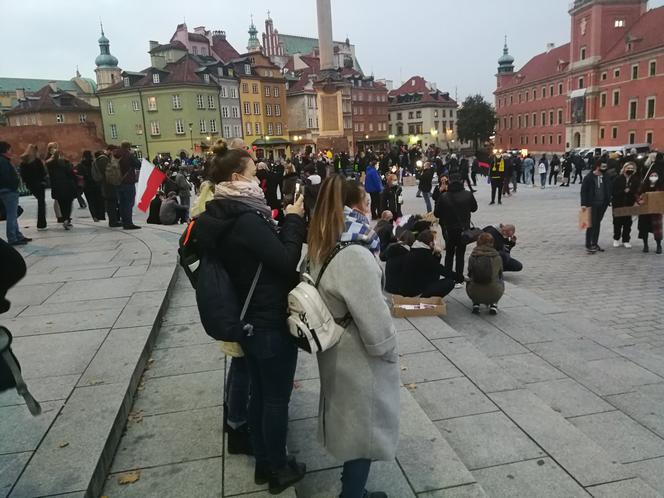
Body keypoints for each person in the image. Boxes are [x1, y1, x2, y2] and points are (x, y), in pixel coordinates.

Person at [197, 142, 306, 494]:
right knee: (275, 399)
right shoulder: (245, 218)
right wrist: (293, 220)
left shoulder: (224, 211)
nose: (259, 177)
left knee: (260, 395)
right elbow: (286, 261)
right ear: (235, 176)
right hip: (267, 321)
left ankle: (264, 463)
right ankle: (276, 468)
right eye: (254, 171)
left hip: (249, 318)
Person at [307, 175, 398, 498]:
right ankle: (353, 495)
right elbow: (374, 321)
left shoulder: (325, 238)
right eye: (368, 201)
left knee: (353, 425)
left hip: (336, 346)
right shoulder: (354, 252)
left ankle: (353, 489)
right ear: (359, 205)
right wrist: (388, 350)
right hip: (356, 354)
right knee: (364, 429)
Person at [434, 176, 478, 285]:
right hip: (464, 230)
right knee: (460, 254)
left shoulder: (444, 196)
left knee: (449, 253)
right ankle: (459, 278)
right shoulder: (468, 194)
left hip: (449, 229)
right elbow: (474, 208)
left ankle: (448, 277)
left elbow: (436, 214)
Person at [400, 230, 455, 298]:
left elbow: (433, 268)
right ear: (430, 242)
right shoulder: (424, 254)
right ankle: (427, 300)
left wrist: (436, 255)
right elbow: (441, 270)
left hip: (410, 289)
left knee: (434, 275)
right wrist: (460, 278)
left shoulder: (415, 249)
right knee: (449, 282)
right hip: (415, 292)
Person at [0, 142, 30, 245]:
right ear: (5, 150)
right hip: (8, 191)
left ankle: (18, 235)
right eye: (9, 149)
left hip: (7, 190)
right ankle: (13, 237)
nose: (11, 151)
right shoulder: (3, 161)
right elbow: (5, 177)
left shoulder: (3, 161)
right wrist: (13, 185)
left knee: (13, 214)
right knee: (12, 215)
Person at [466, 233, 504, 315]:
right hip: (494, 293)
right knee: (500, 277)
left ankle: (476, 303)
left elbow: (469, 272)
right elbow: (500, 273)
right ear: (492, 243)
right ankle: (493, 304)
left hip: (474, 293)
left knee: (471, 277)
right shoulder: (497, 257)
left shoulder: (473, 256)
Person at [45, 143, 78, 230]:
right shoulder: (66, 163)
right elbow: (71, 174)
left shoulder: (50, 164)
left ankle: (64, 218)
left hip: (57, 187)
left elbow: (48, 175)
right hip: (67, 186)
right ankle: (67, 218)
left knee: (62, 204)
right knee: (68, 203)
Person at [581, 161, 611, 254]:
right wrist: (583, 204)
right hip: (591, 204)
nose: (605, 168)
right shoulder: (589, 177)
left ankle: (595, 243)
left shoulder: (605, 177)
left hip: (602, 204)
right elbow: (583, 191)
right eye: (603, 166)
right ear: (597, 167)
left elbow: (609, 188)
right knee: (590, 224)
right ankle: (588, 244)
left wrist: (609, 199)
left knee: (597, 224)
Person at [19, 144, 47, 230]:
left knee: (40, 202)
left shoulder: (23, 162)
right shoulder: (37, 161)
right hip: (39, 184)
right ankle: (41, 223)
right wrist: (43, 181)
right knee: (41, 203)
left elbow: (23, 175)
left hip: (31, 185)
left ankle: (41, 223)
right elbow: (43, 173)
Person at [611, 162, 640, 248]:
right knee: (617, 223)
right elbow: (613, 192)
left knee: (627, 223)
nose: (630, 170)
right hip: (618, 204)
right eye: (628, 168)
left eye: (632, 168)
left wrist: (631, 192)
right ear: (624, 169)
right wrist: (622, 191)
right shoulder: (617, 179)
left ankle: (626, 240)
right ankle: (616, 239)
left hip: (629, 204)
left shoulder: (635, 180)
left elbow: (637, 191)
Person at [93, 148, 122, 227]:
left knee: (111, 203)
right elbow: (108, 172)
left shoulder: (100, 160)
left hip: (106, 184)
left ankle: (114, 221)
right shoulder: (103, 160)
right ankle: (113, 222)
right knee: (111, 204)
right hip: (108, 185)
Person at [115, 142, 140, 230]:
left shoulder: (116, 154)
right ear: (128, 147)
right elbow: (138, 164)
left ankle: (124, 221)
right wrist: (133, 154)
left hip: (118, 182)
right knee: (129, 203)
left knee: (122, 203)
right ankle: (128, 223)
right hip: (128, 182)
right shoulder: (128, 155)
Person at [381, 229, 415, 295]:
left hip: (387, 285)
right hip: (400, 290)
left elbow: (382, 257)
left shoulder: (391, 247)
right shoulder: (409, 253)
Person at [638, 170, 664, 254]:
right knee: (644, 228)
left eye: (655, 175)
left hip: (656, 211)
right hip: (645, 210)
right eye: (652, 175)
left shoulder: (661, 186)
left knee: (657, 229)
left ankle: (659, 245)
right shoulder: (644, 185)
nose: (653, 176)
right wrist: (640, 200)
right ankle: (645, 245)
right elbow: (638, 195)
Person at [77, 150, 105, 222]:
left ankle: (94, 216)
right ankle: (100, 215)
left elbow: (79, 175)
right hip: (96, 184)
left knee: (90, 202)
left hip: (87, 186)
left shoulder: (80, 165)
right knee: (98, 200)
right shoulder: (94, 163)